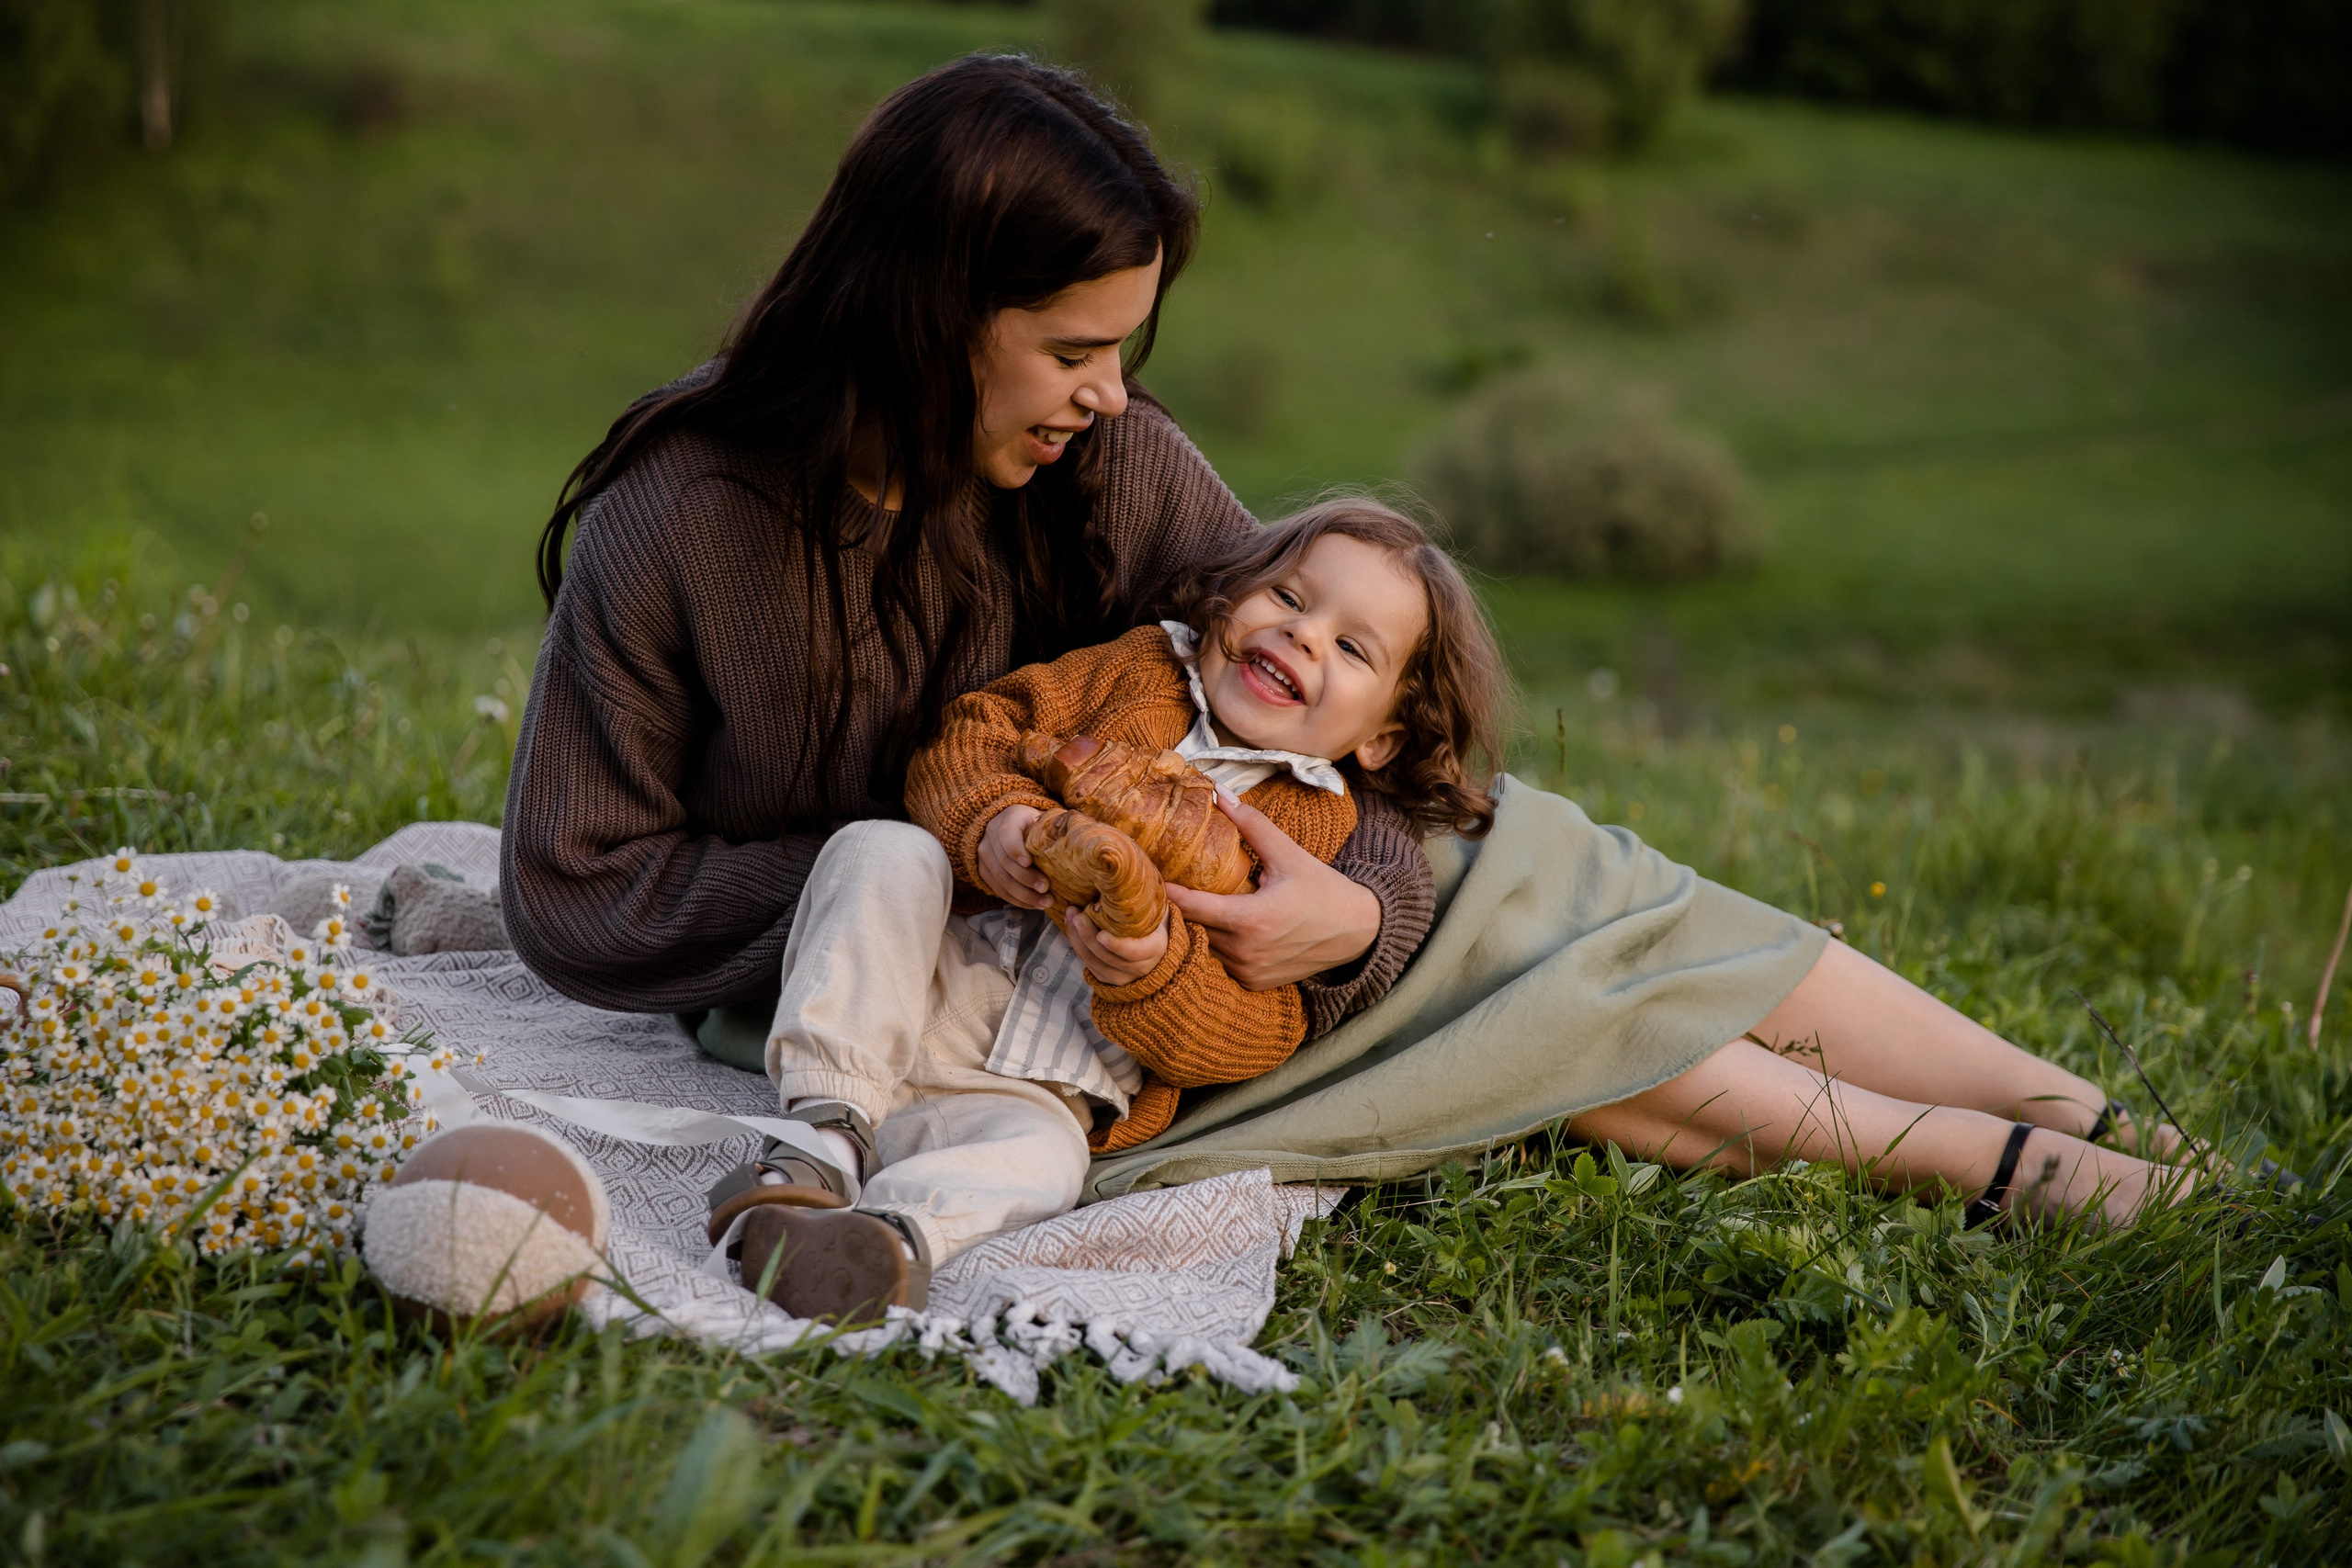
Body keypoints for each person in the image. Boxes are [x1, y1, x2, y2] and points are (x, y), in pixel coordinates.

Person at [503, 51, 2198, 1319]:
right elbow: (580, 892)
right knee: (1530, 1008)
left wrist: (1350, 917)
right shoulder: (679, 526)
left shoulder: (1113, 467)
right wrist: (961, 864)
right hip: (955, 1003)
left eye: (1125, 353)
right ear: (929, 307)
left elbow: (1315, 697)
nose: (1109, 397)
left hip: (1214, 923)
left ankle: (2059, 1107)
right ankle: (2010, 1170)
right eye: (1075, 352)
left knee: (1550, 875)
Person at [706, 501, 1504, 1320]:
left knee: (1045, 1165)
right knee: (882, 849)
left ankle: (886, 1237)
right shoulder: (1140, 668)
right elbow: (981, 729)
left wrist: (1155, 966)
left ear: (1385, 737)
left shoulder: (1317, 840)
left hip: (1043, 1089)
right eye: (1291, 599)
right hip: (923, 984)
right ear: (1231, 597)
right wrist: (996, 822)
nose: (1304, 635)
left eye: (1349, 646)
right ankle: (824, 1140)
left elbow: (1258, 1027)